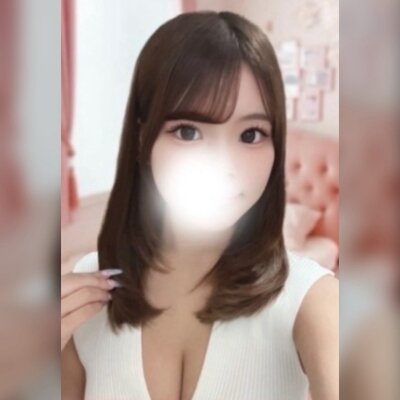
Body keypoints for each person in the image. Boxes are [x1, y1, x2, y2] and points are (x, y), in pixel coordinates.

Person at [61, 11, 338, 400]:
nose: (223, 165)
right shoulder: (82, 293)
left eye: (251, 134)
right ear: (142, 139)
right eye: (188, 131)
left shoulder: (314, 301)